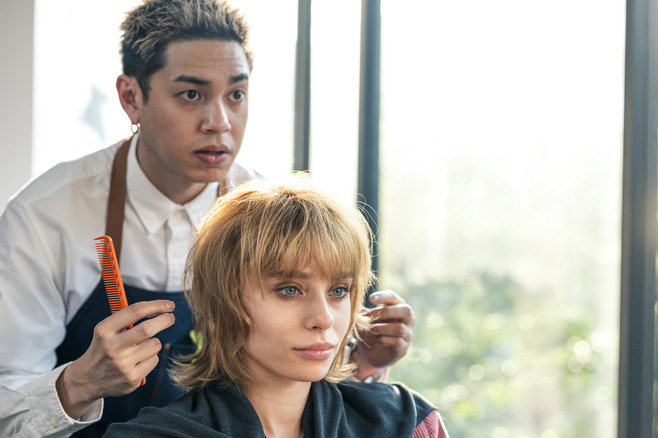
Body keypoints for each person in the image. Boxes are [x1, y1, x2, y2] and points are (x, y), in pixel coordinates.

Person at [0, 1, 414, 437]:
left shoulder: (261, 212)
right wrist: (80, 382)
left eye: (235, 95)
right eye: (191, 95)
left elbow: (288, 393)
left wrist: (359, 362)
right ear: (131, 97)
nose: (219, 123)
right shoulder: (45, 217)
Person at [104, 176, 447, 438]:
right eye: (290, 290)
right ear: (226, 298)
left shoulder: (408, 422)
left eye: (339, 290)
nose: (324, 318)